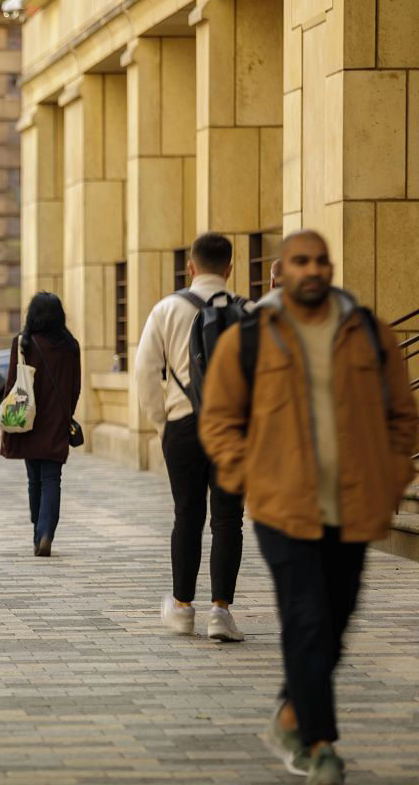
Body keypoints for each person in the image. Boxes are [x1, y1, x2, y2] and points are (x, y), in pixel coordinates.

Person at [201, 229, 417, 785]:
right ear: (282, 270)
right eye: (301, 261)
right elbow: (219, 419)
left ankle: (290, 714)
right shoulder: (250, 338)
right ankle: (320, 744)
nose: (313, 269)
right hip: (284, 509)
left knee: (335, 621)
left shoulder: (369, 334)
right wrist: (249, 476)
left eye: (322, 260)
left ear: (331, 267)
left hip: (353, 507)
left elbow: (402, 416)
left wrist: (393, 476)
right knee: (307, 618)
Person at [134, 232, 246, 642]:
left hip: (183, 425)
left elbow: (145, 372)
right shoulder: (247, 311)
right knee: (228, 518)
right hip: (231, 427)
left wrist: (162, 423)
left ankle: (182, 608)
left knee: (187, 514)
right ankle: (221, 612)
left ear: (190, 267)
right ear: (230, 268)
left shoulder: (166, 309)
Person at [0, 292, 81, 557]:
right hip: (57, 422)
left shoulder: (23, 343)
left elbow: (12, 385)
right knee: (52, 479)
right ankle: (46, 532)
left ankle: (38, 530)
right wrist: (66, 415)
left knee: (34, 479)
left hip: (27, 421)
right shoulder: (71, 346)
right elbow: (75, 387)